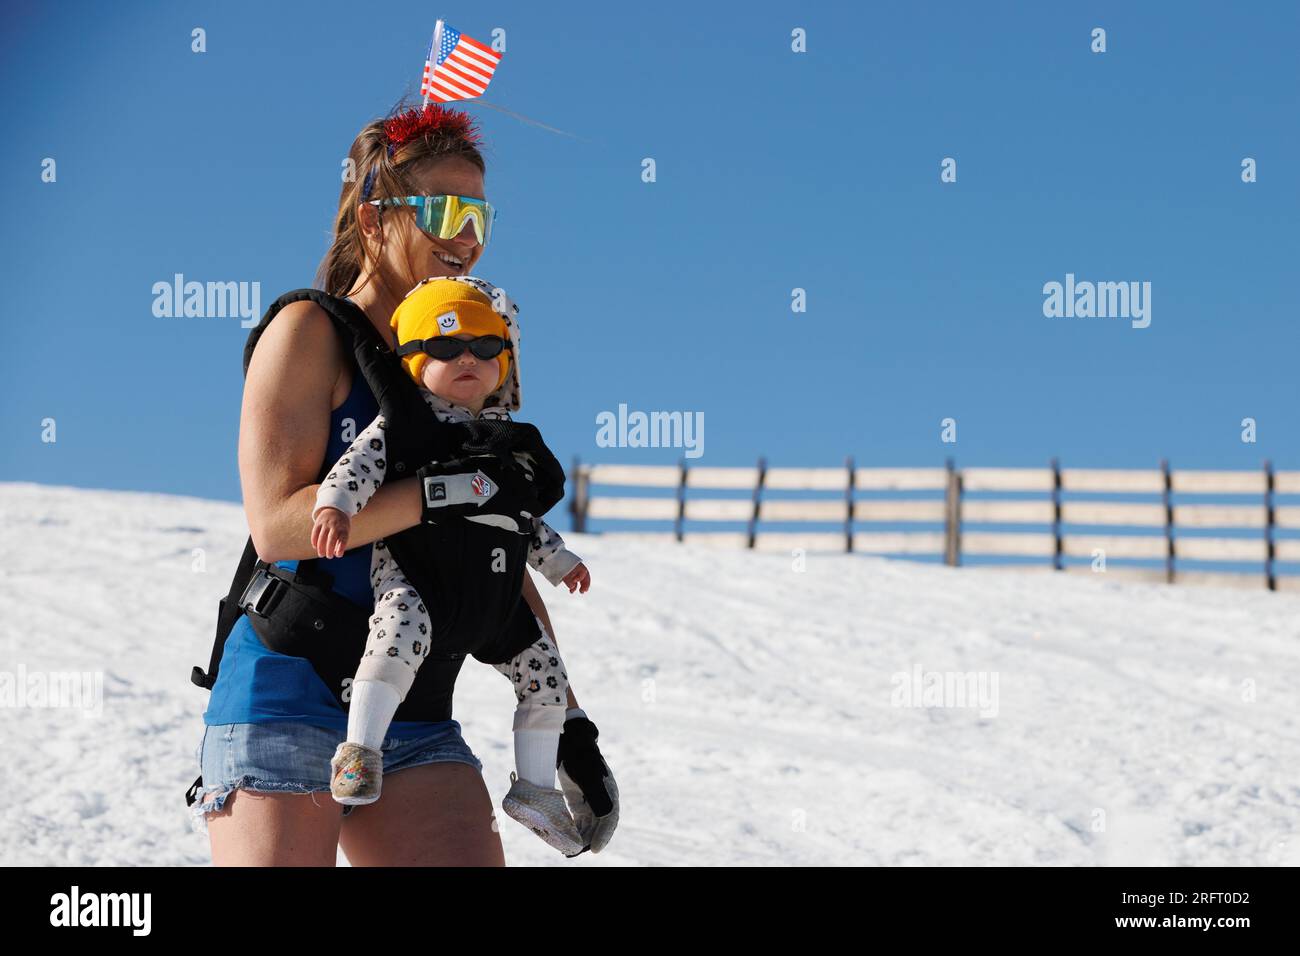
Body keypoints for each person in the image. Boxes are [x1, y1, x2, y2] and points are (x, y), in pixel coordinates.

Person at [188, 101, 618, 865]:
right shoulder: (308, 334)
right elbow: (281, 524)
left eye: (481, 215)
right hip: (289, 692)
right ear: (376, 217)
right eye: (447, 210)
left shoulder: (464, 366)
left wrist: (571, 722)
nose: (467, 238)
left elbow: (500, 543)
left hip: (414, 708)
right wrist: (442, 495)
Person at [312, 275, 594, 855]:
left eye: (485, 347)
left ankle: (536, 788)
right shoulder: (405, 426)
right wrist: (335, 507)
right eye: (444, 347)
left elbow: (521, 518)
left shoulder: (513, 441)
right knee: (394, 639)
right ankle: (360, 751)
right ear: (413, 362)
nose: (467, 358)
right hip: (422, 583)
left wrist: (559, 561)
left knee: (545, 675)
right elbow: (354, 467)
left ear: (505, 362)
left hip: (492, 599)